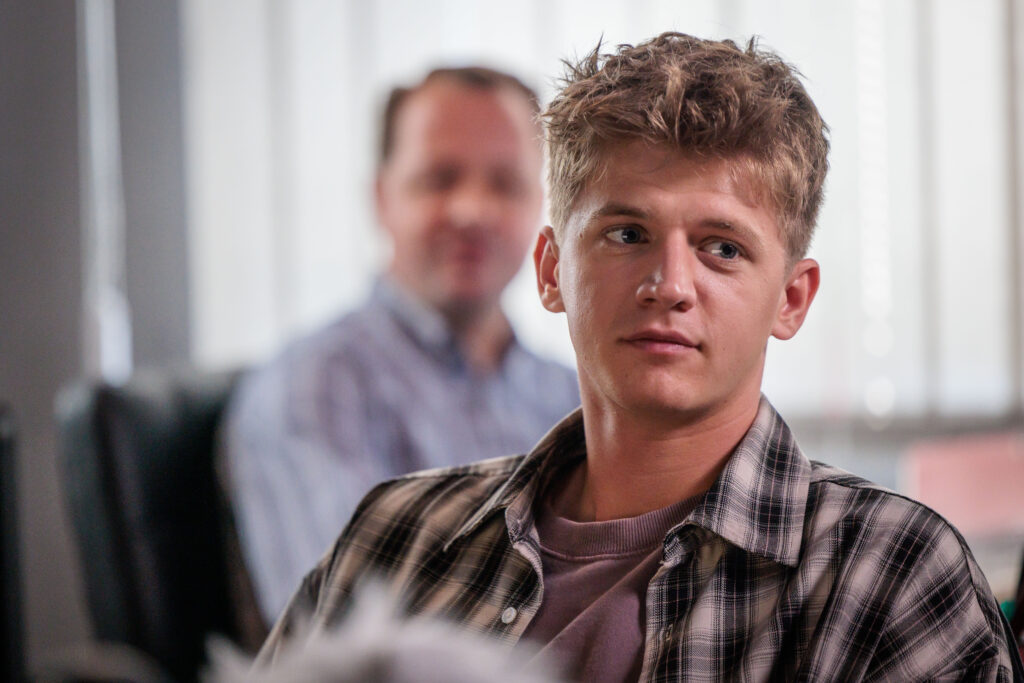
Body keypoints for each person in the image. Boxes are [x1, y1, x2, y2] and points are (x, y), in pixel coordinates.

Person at [255, 33, 1024, 681]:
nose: (670, 285)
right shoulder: (393, 535)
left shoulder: (891, 573)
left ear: (791, 299)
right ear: (552, 271)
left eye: (722, 248)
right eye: (626, 234)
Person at [222, 66, 580, 625]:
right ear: (381, 198)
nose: (473, 210)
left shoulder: (572, 393)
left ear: (539, 206)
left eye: (505, 183)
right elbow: (349, 636)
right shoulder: (314, 388)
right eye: (440, 178)